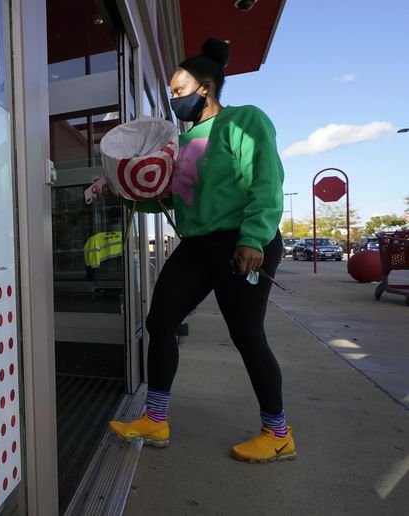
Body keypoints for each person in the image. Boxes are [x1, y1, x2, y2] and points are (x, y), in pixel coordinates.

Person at [107, 38, 295, 463]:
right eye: (172, 93)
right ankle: (156, 418)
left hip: (241, 242)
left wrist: (253, 238)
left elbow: (266, 182)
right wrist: (125, 187)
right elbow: (176, 197)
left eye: (178, 91)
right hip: (197, 246)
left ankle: (279, 432)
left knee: (247, 336)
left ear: (205, 87)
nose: (175, 100)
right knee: (161, 320)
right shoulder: (189, 142)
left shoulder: (245, 121)